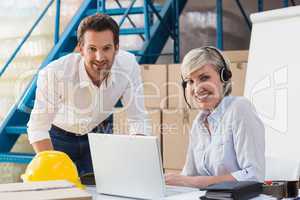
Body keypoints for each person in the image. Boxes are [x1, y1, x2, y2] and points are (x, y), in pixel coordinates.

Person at [27, 13, 151, 176]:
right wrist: (52, 170)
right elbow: (38, 128)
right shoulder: (55, 74)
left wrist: (139, 162)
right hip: (59, 137)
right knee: (59, 188)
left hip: (99, 133)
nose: (100, 58)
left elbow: (138, 119)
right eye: (92, 49)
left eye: (106, 48)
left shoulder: (128, 65)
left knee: (104, 188)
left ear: (117, 47)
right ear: (81, 48)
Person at [165, 46, 265, 187]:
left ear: (224, 77)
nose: (197, 88)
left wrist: (195, 182)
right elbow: (189, 175)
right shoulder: (199, 123)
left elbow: (254, 175)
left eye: (204, 77)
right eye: (190, 81)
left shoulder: (240, 108)